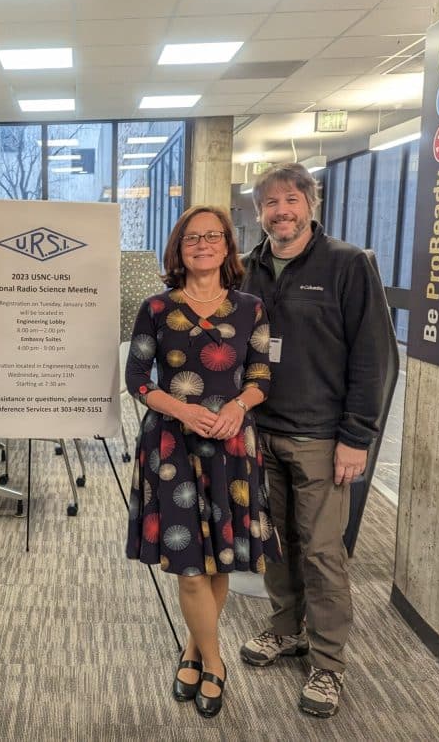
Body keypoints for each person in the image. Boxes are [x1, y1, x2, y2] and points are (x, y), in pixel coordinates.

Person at [238, 163, 390, 718]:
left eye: (291, 200)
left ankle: (328, 663)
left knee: (324, 553)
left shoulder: (346, 265)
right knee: (274, 543)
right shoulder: (249, 268)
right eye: (271, 203)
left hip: (323, 438)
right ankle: (285, 627)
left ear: (311, 203)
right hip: (260, 432)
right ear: (260, 213)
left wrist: (357, 436)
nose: (281, 211)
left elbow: (372, 357)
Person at [125, 205, 278, 719]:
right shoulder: (156, 307)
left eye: (213, 236)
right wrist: (185, 410)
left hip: (232, 447)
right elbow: (139, 380)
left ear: (227, 247)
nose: (203, 244)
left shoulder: (250, 308)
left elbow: (260, 376)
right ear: (178, 248)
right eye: (192, 238)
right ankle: (216, 662)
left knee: (219, 559)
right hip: (172, 447)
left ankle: (192, 649)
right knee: (189, 568)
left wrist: (237, 407)